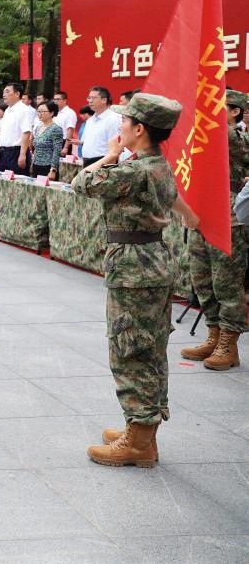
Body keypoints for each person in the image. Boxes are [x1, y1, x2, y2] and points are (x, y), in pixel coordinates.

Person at [73, 92, 193, 467]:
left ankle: (138, 441)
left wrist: (109, 156)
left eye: (124, 124)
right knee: (150, 348)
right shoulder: (157, 164)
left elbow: (81, 183)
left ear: (139, 129)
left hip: (133, 268)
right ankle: (142, 431)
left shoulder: (132, 171)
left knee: (130, 350)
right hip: (153, 260)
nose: (119, 128)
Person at [180, 89, 249, 371]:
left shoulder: (239, 137)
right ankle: (214, 333)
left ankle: (229, 344)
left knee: (227, 282)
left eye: (221, 107)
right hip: (202, 209)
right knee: (202, 277)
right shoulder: (203, 136)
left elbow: (230, 140)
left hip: (230, 213)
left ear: (236, 111)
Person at [0, 82, 36, 175]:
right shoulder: (7, 111)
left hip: (16, 152)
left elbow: (26, 132)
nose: (4, 94)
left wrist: (22, 155)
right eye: (3, 92)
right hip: (4, 152)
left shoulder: (24, 110)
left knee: (16, 182)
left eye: (7, 92)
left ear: (17, 94)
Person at [78, 86, 121, 164]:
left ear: (104, 100)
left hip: (103, 162)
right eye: (89, 98)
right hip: (86, 161)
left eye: (93, 98)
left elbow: (114, 148)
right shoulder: (90, 120)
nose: (90, 101)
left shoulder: (114, 119)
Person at [30, 101, 64, 180]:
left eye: (43, 111)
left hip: (48, 166)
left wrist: (53, 170)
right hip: (36, 165)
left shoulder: (56, 129)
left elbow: (57, 151)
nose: (40, 114)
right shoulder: (38, 128)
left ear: (51, 113)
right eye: (38, 111)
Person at [53, 91, 79, 157]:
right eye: (54, 99)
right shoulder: (55, 112)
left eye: (58, 99)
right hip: (53, 141)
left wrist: (66, 147)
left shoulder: (70, 113)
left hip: (63, 142)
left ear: (64, 100)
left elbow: (70, 130)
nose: (55, 101)